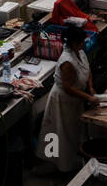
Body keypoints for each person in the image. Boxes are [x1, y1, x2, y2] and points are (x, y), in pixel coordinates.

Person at [35, 24, 99, 173]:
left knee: (73, 132)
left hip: (76, 100)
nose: (84, 43)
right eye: (82, 41)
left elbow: (87, 70)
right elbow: (68, 87)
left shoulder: (80, 52)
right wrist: (89, 97)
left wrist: (90, 87)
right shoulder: (67, 61)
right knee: (61, 133)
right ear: (73, 43)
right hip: (63, 101)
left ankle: (73, 161)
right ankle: (60, 166)